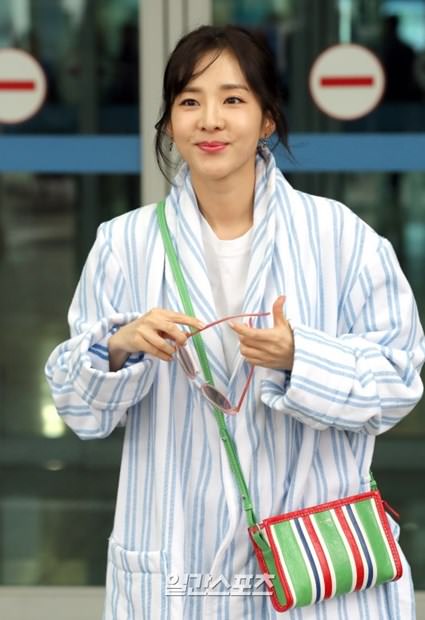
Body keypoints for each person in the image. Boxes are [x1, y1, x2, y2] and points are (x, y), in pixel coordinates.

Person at [45, 25, 424, 620]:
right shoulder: (124, 244)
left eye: (233, 99)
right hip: (178, 560)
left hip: (314, 563)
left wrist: (301, 357)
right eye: (189, 101)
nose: (210, 120)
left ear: (267, 119)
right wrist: (116, 348)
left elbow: (400, 382)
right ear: (170, 123)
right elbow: (78, 409)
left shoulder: (343, 238)